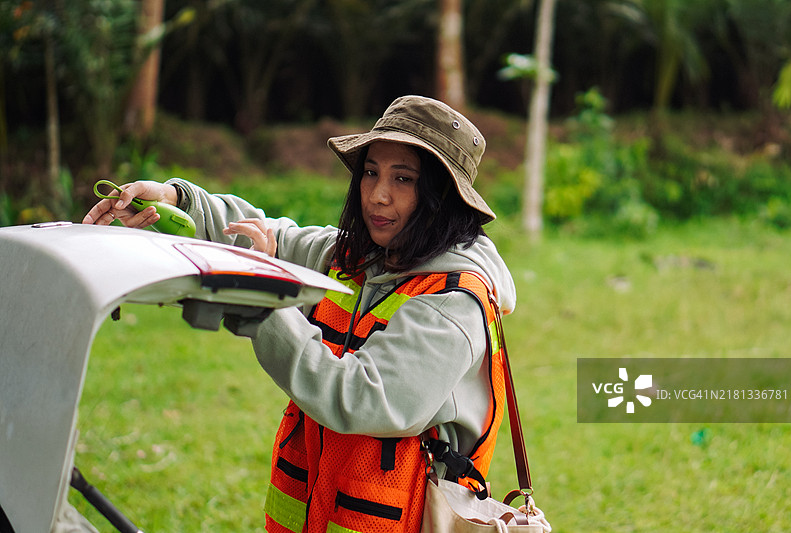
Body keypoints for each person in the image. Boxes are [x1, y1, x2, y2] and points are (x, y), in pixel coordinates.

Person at [83, 95, 516, 533]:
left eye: (403, 179)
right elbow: (262, 234)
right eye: (370, 172)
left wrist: (266, 296)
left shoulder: (455, 300)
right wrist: (174, 199)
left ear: (442, 198)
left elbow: (363, 398)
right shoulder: (356, 257)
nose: (378, 195)